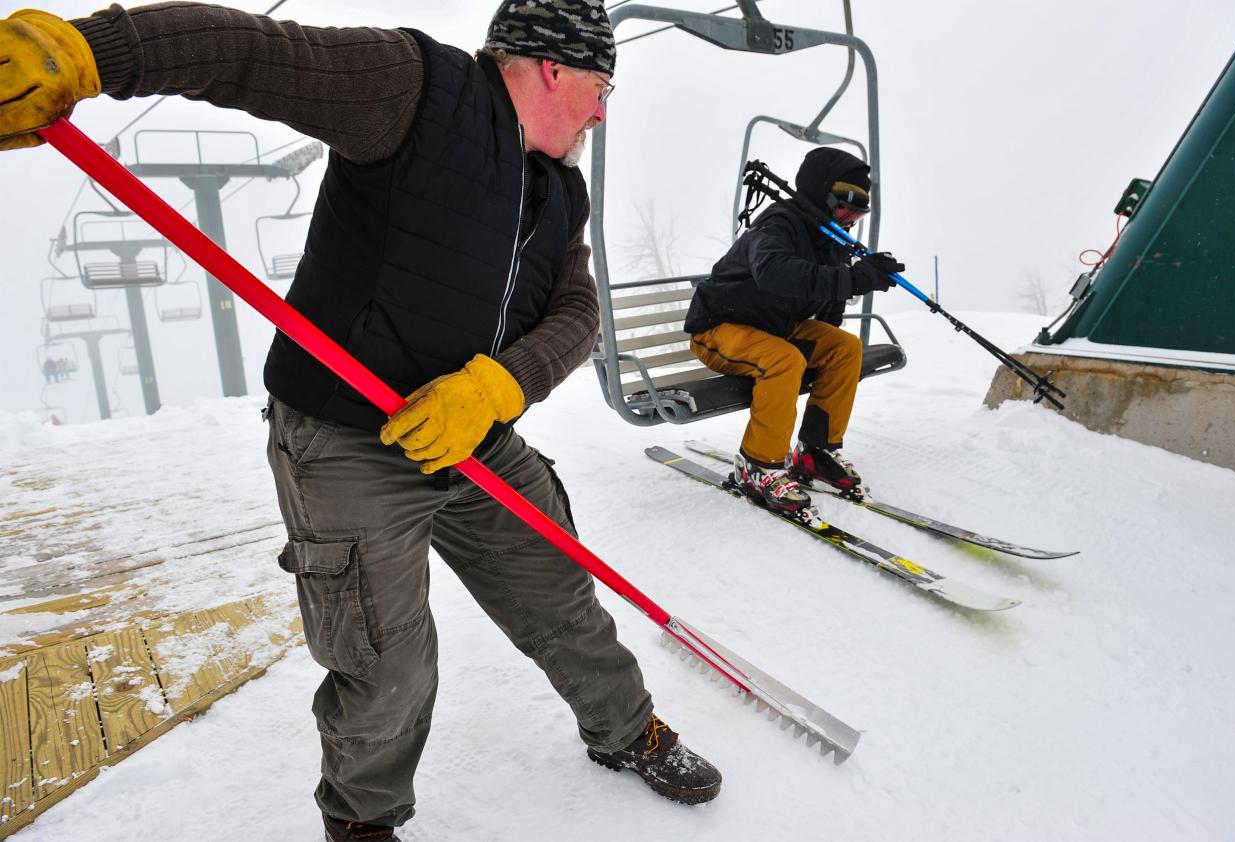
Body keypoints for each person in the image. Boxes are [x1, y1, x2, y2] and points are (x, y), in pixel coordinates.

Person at [0, 3, 722, 839]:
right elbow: (252, 55)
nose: (602, 111)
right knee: (386, 664)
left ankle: (625, 729)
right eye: (602, 87)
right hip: (349, 443)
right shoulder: (419, 90)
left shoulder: (562, 190)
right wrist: (91, 51)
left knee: (559, 593)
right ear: (552, 69)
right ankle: (364, 822)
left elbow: (577, 310)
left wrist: (497, 388)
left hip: (472, 436)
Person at [684, 147, 905, 512]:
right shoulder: (780, 224)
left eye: (858, 213)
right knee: (784, 361)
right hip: (720, 327)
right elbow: (774, 272)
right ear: (821, 194)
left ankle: (816, 452)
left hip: (774, 329)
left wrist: (857, 279)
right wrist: (848, 279)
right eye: (844, 207)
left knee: (845, 348)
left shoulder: (831, 238)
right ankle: (757, 465)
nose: (849, 219)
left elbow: (828, 300)